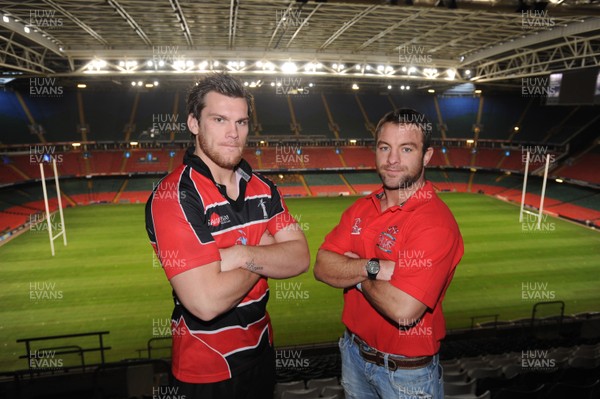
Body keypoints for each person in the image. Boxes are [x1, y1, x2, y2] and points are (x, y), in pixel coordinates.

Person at [145, 73, 310, 399]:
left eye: (242, 122)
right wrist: (262, 250)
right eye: (219, 120)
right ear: (194, 123)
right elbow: (206, 303)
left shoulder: (264, 189)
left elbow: (300, 258)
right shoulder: (175, 196)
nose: (234, 133)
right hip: (207, 367)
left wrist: (239, 254)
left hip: (263, 349)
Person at [314, 108, 464, 399]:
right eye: (385, 147)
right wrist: (373, 267)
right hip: (353, 354)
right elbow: (322, 266)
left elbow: (403, 310)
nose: (392, 160)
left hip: (406, 374)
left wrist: (353, 272)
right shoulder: (361, 208)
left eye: (406, 149)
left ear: (427, 155)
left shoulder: (434, 223)